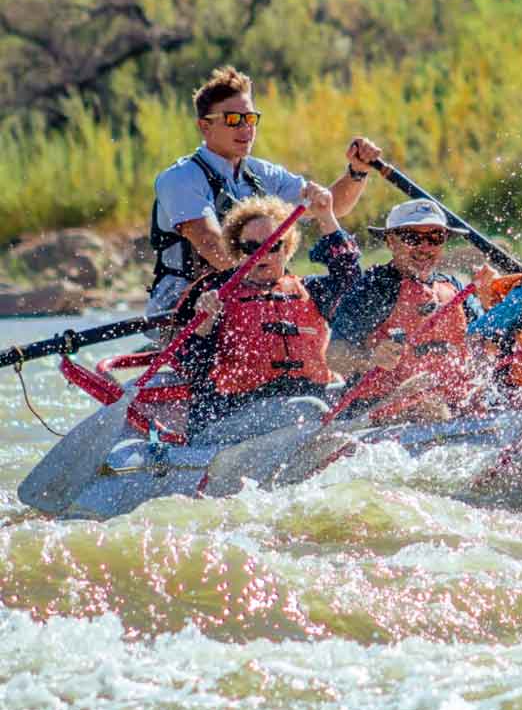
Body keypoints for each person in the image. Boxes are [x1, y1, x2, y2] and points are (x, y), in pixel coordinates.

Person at [146, 65, 382, 318]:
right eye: (233, 120)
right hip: (186, 308)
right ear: (205, 127)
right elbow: (215, 249)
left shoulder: (264, 174)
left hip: (254, 299)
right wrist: (281, 287)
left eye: (249, 119)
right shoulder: (180, 178)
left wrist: (357, 172)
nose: (245, 129)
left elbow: (332, 207)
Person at [173, 188, 360, 434]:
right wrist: (202, 329)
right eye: (252, 246)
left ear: (287, 248)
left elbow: (352, 283)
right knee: (308, 409)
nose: (263, 254)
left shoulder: (310, 290)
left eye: (273, 245)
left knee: (356, 396)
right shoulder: (213, 295)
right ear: (238, 251)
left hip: (308, 406)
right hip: (237, 412)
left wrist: (326, 216)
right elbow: (191, 369)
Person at [324, 200, 495, 419]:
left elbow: (485, 342)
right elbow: (333, 355)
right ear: (391, 241)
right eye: (412, 238)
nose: (424, 248)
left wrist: (490, 300)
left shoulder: (455, 287)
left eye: (435, 238)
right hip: (382, 412)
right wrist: (369, 358)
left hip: (452, 407)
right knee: (430, 405)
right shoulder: (374, 290)